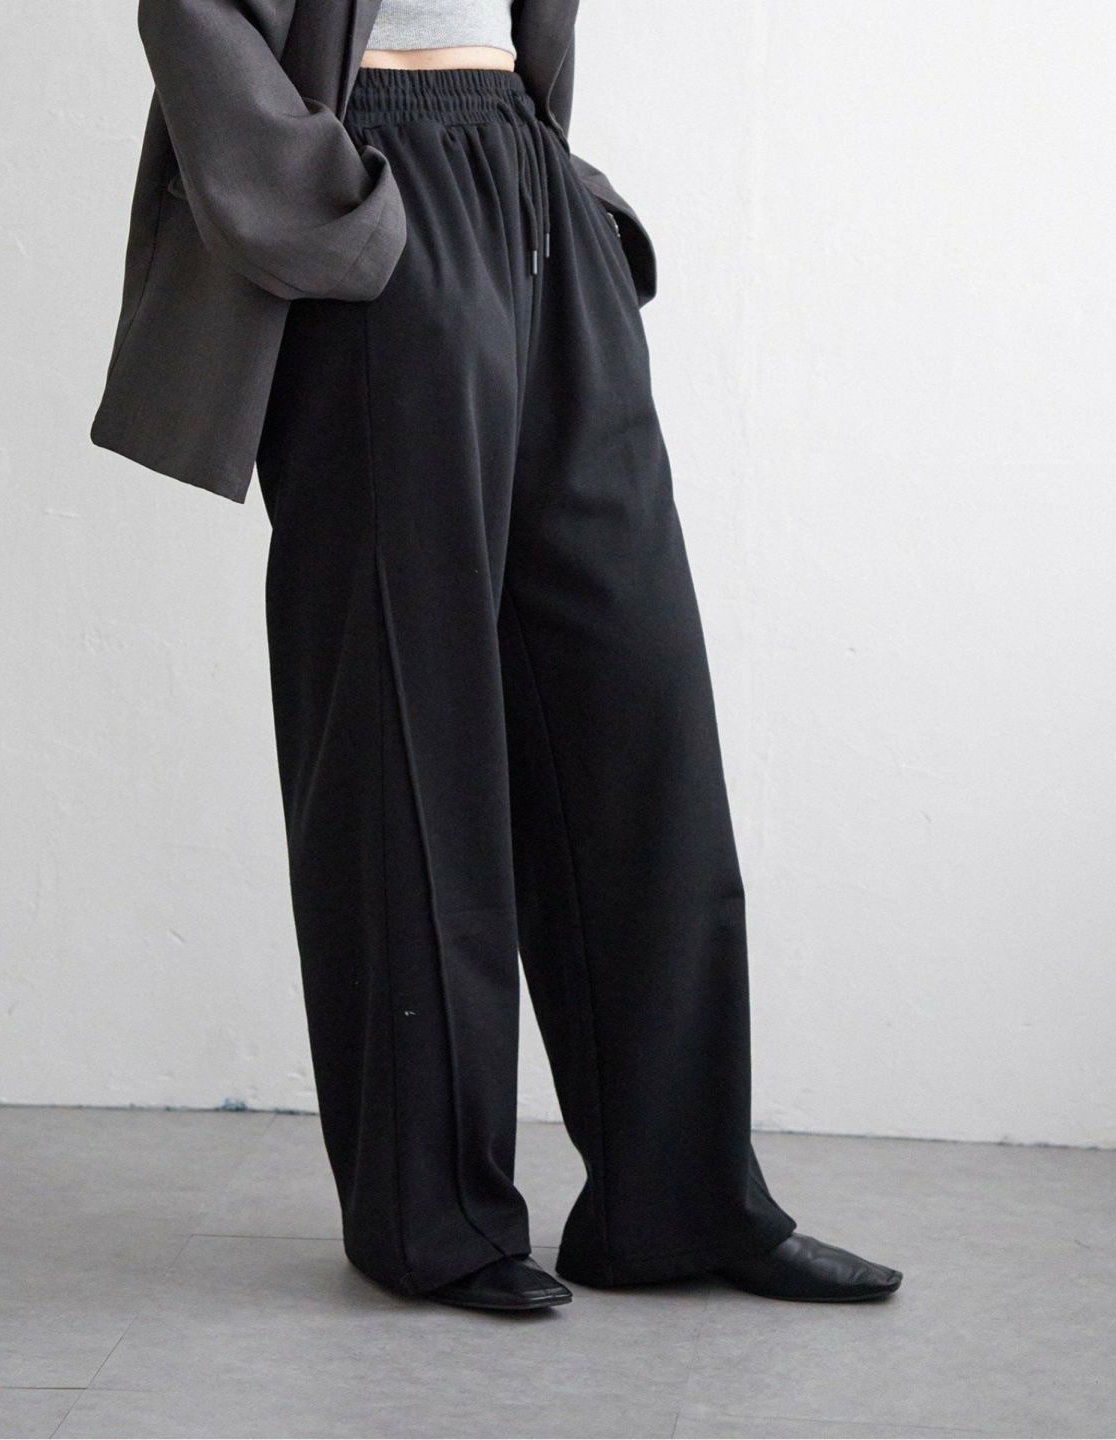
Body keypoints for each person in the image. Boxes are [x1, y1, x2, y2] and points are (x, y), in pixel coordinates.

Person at [91, 0, 903, 1313]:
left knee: (637, 716)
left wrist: (552, 178)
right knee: (411, 733)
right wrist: (327, 205)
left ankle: (681, 1201)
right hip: (377, 173)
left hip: (531, 183)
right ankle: (435, 1218)